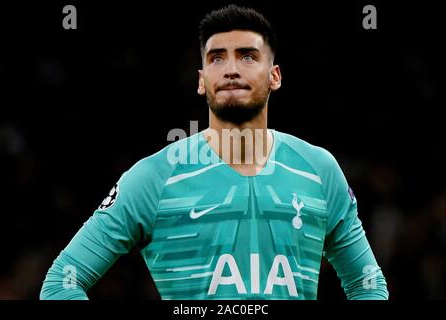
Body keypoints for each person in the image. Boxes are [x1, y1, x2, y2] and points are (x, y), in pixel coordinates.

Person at [40, 4, 388, 300]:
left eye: (248, 56)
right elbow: (62, 283)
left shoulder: (319, 169)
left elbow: (367, 284)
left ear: (275, 76)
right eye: (217, 58)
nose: (232, 68)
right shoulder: (154, 178)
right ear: (201, 79)